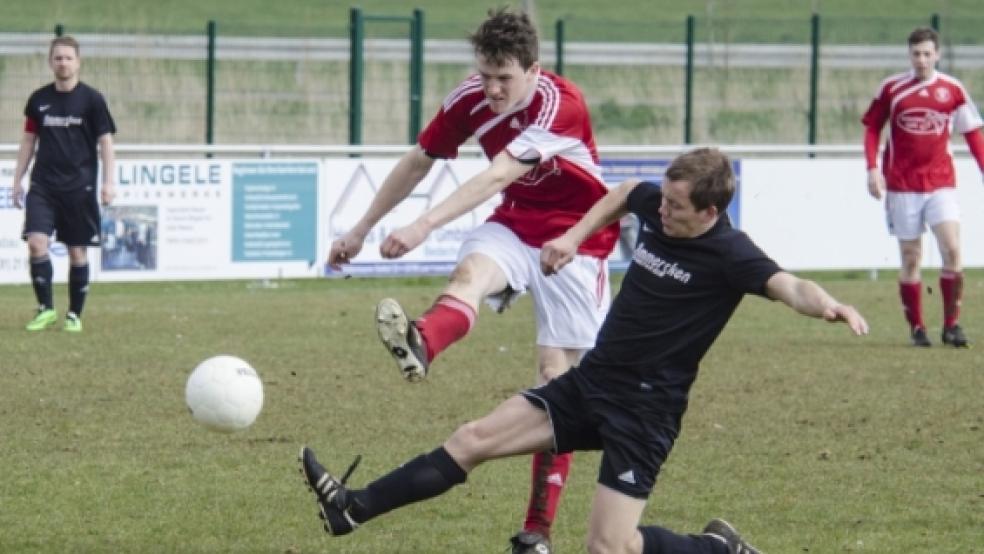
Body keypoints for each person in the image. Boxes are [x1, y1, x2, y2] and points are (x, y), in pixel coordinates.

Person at [299, 147, 869, 553]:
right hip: (592, 382)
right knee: (472, 440)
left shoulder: (731, 255)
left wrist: (827, 305)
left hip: (646, 412)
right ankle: (352, 508)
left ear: (710, 213)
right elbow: (623, 194)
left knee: (609, 546)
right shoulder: (654, 202)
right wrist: (573, 237)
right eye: (665, 200)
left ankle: (717, 549)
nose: (662, 212)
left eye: (676, 208)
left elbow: (789, 284)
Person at [326, 9, 618, 551]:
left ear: (535, 69)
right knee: (469, 273)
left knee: (557, 384)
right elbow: (419, 160)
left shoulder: (561, 104)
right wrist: (362, 228)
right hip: (516, 222)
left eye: (504, 77)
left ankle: (537, 529)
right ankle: (423, 340)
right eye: (484, 75)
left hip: (577, 241)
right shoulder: (470, 99)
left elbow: (499, 173)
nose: (492, 89)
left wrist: (422, 225)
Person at [862, 26, 984, 348]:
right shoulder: (892, 89)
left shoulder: (952, 90)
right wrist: (873, 169)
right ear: (909, 55)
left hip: (940, 183)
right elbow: (873, 128)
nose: (921, 60)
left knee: (953, 249)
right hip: (902, 186)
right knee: (912, 257)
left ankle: (952, 326)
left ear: (937, 55)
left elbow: (972, 133)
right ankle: (917, 328)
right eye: (916, 54)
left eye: (927, 54)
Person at [12, 35, 116, 333]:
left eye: (68, 58)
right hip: (43, 186)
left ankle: (73, 315)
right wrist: (17, 178)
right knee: (36, 243)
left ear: (78, 62)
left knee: (76, 253)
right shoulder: (38, 100)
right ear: (50, 62)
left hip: (79, 187)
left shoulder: (92, 100)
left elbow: (106, 142)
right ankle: (45, 310)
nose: (63, 63)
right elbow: (29, 140)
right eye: (58, 58)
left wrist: (108, 182)